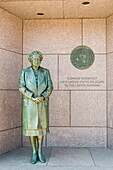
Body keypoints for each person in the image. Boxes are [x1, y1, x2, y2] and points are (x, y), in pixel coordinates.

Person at [19, 51, 53, 164]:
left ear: (41, 60)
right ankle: (34, 151)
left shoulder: (46, 72)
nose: (36, 61)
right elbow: (21, 86)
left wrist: (43, 97)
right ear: (30, 60)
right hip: (30, 104)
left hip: (42, 103)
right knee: (32, 128)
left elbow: (50, 86)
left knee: (40, 128)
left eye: (38, 59)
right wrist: (32, 96)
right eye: (34, 59)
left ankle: (40, 151)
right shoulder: (25, 72)